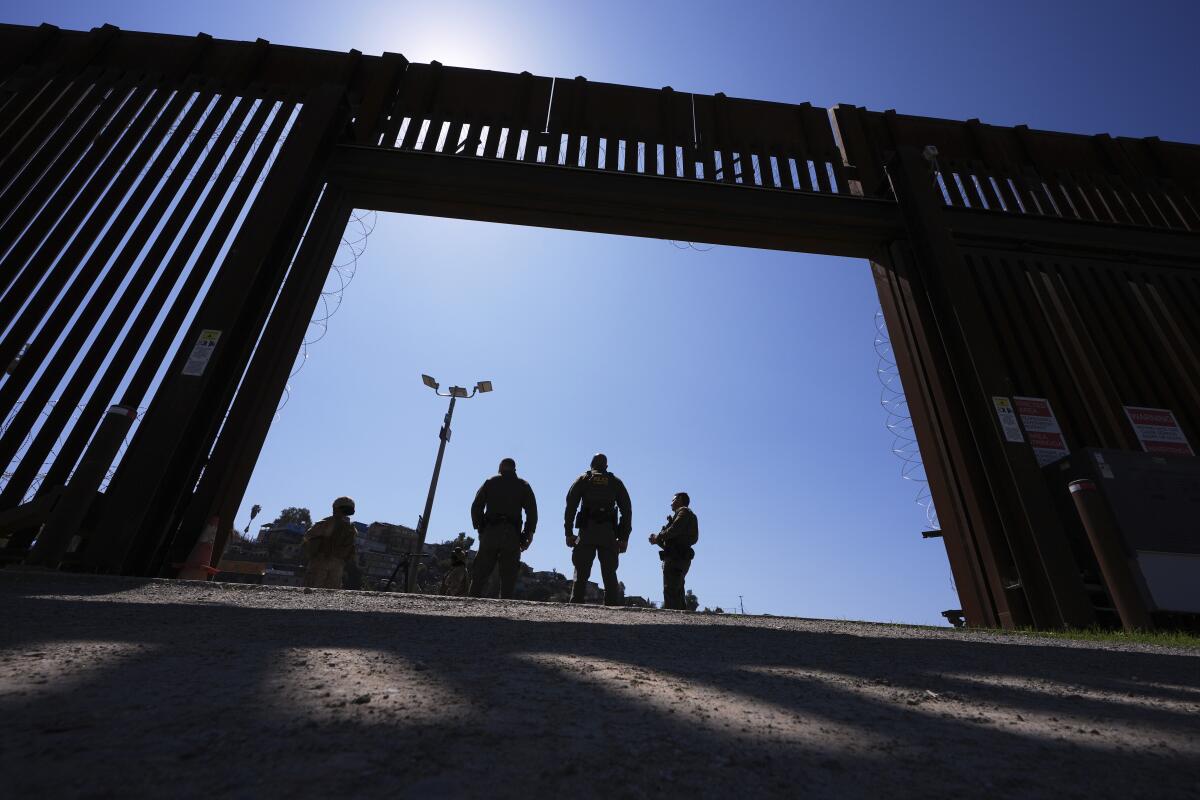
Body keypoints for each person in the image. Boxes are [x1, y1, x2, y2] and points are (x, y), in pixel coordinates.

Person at [564, 453, 632, 606]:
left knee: (581, 571)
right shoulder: (615, 482)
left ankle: (576, 604)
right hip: (608, 533)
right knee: (609, 572)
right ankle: (611, 606)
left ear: (591, 464)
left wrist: (568, 533)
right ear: (606, 466)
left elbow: (570, 508)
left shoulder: (583, 479)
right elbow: (627, 511)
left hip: (587, 531)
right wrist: (623, 538)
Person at [469, 458, 538, 599]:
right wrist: (528, 535)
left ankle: (470, 604)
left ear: (500, 468)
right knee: (509, 575)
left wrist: (481, 527)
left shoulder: (491, 482)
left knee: (480, 572)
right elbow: (532, 512)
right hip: (512, 534)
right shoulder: (523, 485)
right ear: (514, 469)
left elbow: (476, 506)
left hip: (490, 531)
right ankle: (505, 608)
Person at [649, 492, 698, 610]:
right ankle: (680, 620)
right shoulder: (685, 514)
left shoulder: (683, 511)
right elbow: (671, 542)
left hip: (676, 558)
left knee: (671, 590)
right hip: (678, 556)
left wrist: (659, 536)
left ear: (680, 500)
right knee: (677, 590)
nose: (671, 503)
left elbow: (674, 530)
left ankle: (672, 621)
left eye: (673, 500)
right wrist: (658, 541)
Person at [302, 496, 358, 589]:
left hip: (321, 561)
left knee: (311, 591)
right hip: (338, 565)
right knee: (329, 594)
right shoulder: (351, 528)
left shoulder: (326, 522)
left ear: (335, 508)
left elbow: (308, 536)